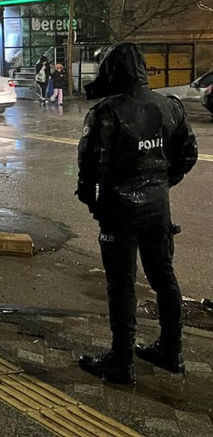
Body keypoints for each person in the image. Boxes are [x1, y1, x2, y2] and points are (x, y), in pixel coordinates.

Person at [76, 42, 197, 385]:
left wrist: (96, 205)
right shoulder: (169, 108)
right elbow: (188, 154)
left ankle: (121, 359)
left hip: (119, 211)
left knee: (121, 284)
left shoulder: (107, 112)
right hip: (157, 207)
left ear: (112, 72)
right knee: (164, 277)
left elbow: (89, 168)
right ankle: (172, 350)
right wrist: (161, 182)